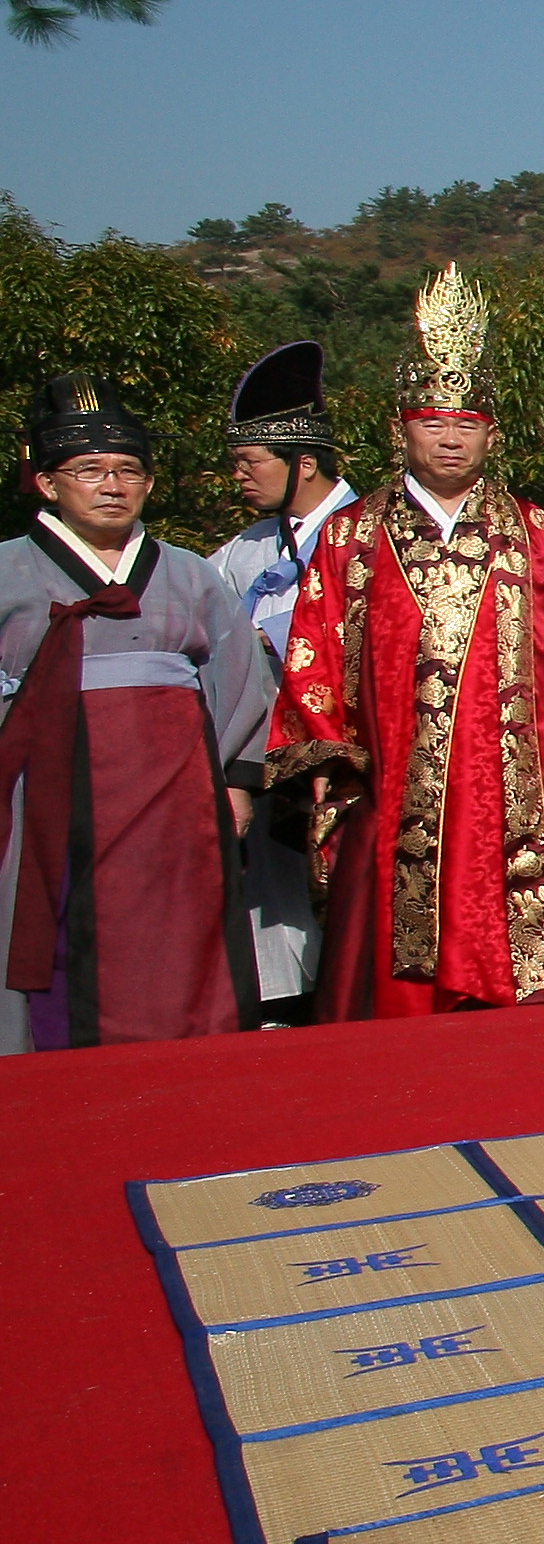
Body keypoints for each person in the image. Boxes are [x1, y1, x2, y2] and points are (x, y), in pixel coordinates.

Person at [265, 267, 544, 1019]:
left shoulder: (537, 533)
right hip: (398, 777)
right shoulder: (352, 535)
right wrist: (329, 752)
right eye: (434, 423)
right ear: (402, 430)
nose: (451, 439)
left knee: (516, 942)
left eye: (467, 425)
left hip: (515, 777)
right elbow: (315, 653)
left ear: (491, 435)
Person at [1, 375, 277, 1049]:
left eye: (128, 470)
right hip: (43, 791)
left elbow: (238, 678)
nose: (111, 485)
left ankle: (189, 1060)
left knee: (182, 925)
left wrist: (237, 781)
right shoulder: (8, 570)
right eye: (88, 470)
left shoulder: (189, 573)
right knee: (52, 927)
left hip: (177, 792)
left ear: (149, 484)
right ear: (46, 483)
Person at [215, 340, 354, 1019]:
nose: (239, 476)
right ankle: (282, 1000)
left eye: (250, 462)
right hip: (264, 749)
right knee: (273, 889)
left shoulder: (373, 533)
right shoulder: (240, 552)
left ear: (303, 463)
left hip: (349, 747)